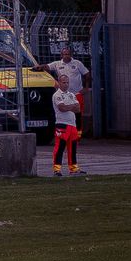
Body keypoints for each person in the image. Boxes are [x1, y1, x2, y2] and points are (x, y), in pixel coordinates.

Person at [39, 42, 91, 175]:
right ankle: (57, 169)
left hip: (72, 124)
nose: (66, 84)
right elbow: (62, 108)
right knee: (60, 147)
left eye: (67, 82)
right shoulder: (57, 95)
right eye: (63, 82)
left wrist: (72, 106)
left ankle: (73, 168)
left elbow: (78, 108)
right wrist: (71, 107)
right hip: (62, 124)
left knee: (72, 148)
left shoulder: (71, 94)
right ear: (58, 82)